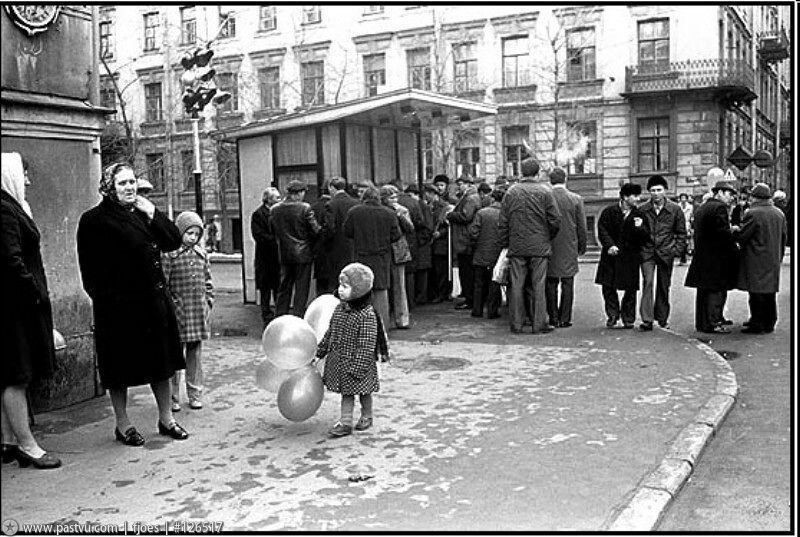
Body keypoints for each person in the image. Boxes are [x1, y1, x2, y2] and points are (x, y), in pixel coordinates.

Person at [77, 162, 188, 446]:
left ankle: (166, 419)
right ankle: (123, 424)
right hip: (119, 310)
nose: (129, 188)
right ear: (109, 188)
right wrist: (108, 303)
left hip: (154, 304)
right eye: (122, 183)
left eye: (132, 182)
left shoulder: (142, 213)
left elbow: (174, 241)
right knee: (119, 370)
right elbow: (90, 272)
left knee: (161, 364)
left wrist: (153, 212)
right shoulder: (94, 220)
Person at [1, 153, 61, 469]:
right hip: (16, 307)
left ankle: (9, 441)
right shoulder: (5, 209)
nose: (27, 180)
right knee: (17, 375)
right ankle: (28, 446)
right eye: (23, 174)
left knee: (13, 373)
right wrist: (34, 293)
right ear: (9, 174)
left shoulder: (12, 207)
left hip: (17, 304)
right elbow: (11, 261)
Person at [315, 263, 389, 438]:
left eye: (346, 286)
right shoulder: (340, 309)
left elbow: (367, 344)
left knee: (364, 392)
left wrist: (358, 367)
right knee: (347, 393)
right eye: (340, 285)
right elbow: (330, 332)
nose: (340, 290)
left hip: (357, 364)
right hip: (341, 362)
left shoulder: (367, 315)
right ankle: (347, 422)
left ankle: (363, 417)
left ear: (359, 290)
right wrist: (320, 351)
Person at [498, 158, 561, 334]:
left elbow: (502, 222)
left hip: (517, 245)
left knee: (517, 285)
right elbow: (555, 220)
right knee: (538, 285)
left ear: (521, 172)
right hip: (540, 246)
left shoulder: (511, 192)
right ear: (537, 173)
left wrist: (506, 243)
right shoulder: (545, 192)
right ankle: (539, 324)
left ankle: (516, 324)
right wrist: (547, 236)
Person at [162, 211, 214, 411]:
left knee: (195, 355)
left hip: (197, 312)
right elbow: (164, 284)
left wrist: (208, 302)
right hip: (178, 313)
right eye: (189, 233)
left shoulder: (202, 255)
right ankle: (173, 396)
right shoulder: (170, 255)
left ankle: (195, 393)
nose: (192, 237)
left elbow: (208, 282)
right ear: (179, 232)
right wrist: (171, 307)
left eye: (196, 234)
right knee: (176, 358)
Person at [685, 180, 739, 334]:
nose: (731, 198)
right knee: (716, 290)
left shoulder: (703, 207)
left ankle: (702, 323)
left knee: (703, 292)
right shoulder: (719, 207)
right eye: (729, 194)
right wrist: (733, 236)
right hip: (717, 257)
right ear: (720, 192)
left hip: (703, 256)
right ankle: (714, 322)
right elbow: (722, 233)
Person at [344, 186, 402, 329]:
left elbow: (347, 232)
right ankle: (382, 327)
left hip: (361, 256)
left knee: (361, 291)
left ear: (363, 198)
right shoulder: (389, 213)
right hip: (381, 257)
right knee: (381, 291)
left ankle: (361, 326)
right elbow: (397, 235)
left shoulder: (354, 212)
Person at [734, 183, 788, 334]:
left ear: (755, 197)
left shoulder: (753, 213)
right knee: (769, 293)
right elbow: (784, 238)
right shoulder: (779, 213)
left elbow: (744, 236)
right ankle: (769, 322)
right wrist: (779, 256)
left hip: (755, 259)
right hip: (772, 259)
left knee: (756, 293)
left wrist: (736, 231)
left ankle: (757, 323)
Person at [595, 183, 650, 328]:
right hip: (611, 256)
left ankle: (628, 318)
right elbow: (602, 230)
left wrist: (640, 228)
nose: (638, 199)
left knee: (630, 288)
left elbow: (645, 237)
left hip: (630, 257)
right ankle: (612, 314)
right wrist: (610, 245)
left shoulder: (639, 215)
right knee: (608, 286)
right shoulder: (609, 211)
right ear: (625, 197)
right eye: (635, 196)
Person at [637, 174, 686, 331]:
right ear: (649, 192)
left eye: (659, 190)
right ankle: (647, 319)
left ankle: (663, 318)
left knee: (664, 285)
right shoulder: (642, 209)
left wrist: (676, 250)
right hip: (648, 252)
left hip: (666, 251)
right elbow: (636, 232)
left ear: (665, 190)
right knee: (648, 282)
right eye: (652, 190)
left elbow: (681, 233)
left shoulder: (675, 210)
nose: (656, 193)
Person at [269, 180, 321, 318]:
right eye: (303, 192)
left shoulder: (274, 210)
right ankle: (298, 317)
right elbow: (315, 230)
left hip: (284, 254)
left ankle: (280, 316)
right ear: (298, 193)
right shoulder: (305, 208)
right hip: (303, 254)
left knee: (284, 288)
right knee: (301, 289)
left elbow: (272, 231)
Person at [545, 168, 587, 328]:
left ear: (550, 180)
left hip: (549, 245)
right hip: (569, 245)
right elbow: (582, 227)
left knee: (551, 283)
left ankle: (553, 317)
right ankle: (565, 318)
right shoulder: (576, 199)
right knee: (568, 283)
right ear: (566, 179)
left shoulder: (545, 198)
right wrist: (581, 247)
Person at [379, 185, 414, 329]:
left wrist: (401, 215)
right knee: (385, 285)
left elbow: (410, 228)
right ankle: (386, 316)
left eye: (395, 197)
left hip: (398, 250)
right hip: (385, 249)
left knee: (400, 285)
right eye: (391, 197)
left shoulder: (402, 210)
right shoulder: (380, 211)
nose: (394, 200)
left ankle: (402, 318)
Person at [446, 176, 482, 311]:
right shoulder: (469, 197)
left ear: (468, 184)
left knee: (467, 272)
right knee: (467, 271)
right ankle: (469, 297)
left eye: (461, 184)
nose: (459, 187)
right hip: (465, 239)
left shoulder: (471, 198)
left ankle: (470, 299)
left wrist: (450, 215)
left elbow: (466, 217)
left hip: (465, 239)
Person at [468, 188, 504, 319]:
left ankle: (477, 310)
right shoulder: (505, 214)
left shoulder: (481, 213)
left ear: (493, 199)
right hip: (497, 255)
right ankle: (492, 311)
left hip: (481, 253)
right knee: (494, 283)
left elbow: (473, 232)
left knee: (478, 283)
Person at [251, 187, 282, 326]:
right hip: (264, 257)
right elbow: (258, 235)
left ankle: (278, 313)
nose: (279, 200)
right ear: (268, 199)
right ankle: (266, 315)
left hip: (276, 257)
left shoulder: (278, 212)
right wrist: (275, 240)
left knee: (277, 287)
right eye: (277, 198)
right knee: (265, 289)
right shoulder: (258, 214)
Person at [396, 183, 428, 310]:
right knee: (409, 272)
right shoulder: (414, 203)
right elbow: (420, 222)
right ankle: (410, 302)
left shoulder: (393, 202)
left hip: (395, 241)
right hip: (410, 239)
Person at [324, 177, 359, 289]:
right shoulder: (356, 203)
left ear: (331, 187)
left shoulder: (331, 204)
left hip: (336, 248)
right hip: (353, 246)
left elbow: (330, 228)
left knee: (337, 282)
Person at [424, 184, 452, 303]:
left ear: (433, 194)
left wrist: (440, 233)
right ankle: (435, 293)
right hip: (431, 243)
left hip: (441, 244)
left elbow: (449, 226)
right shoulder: (428, 206)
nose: (426, 196)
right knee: (434, 270)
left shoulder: (444, 207)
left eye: (427, 194)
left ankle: (442, 294)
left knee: (441, 271)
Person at [310, 182, 334, 295]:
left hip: (318, 250)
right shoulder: (333, 206)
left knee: (321, 286)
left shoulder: (313, 207)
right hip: (333, 250)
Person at [677, 193, 694, 265]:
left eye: (684, 198)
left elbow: (691, 217)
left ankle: (684, 257)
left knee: (686, 241)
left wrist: (691, 227)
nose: (683, 199)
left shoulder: (690, 207)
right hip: (679, 224)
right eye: (682, 198)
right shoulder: (677, 206)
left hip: (687, 225)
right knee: (681, 241)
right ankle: (682, 258)